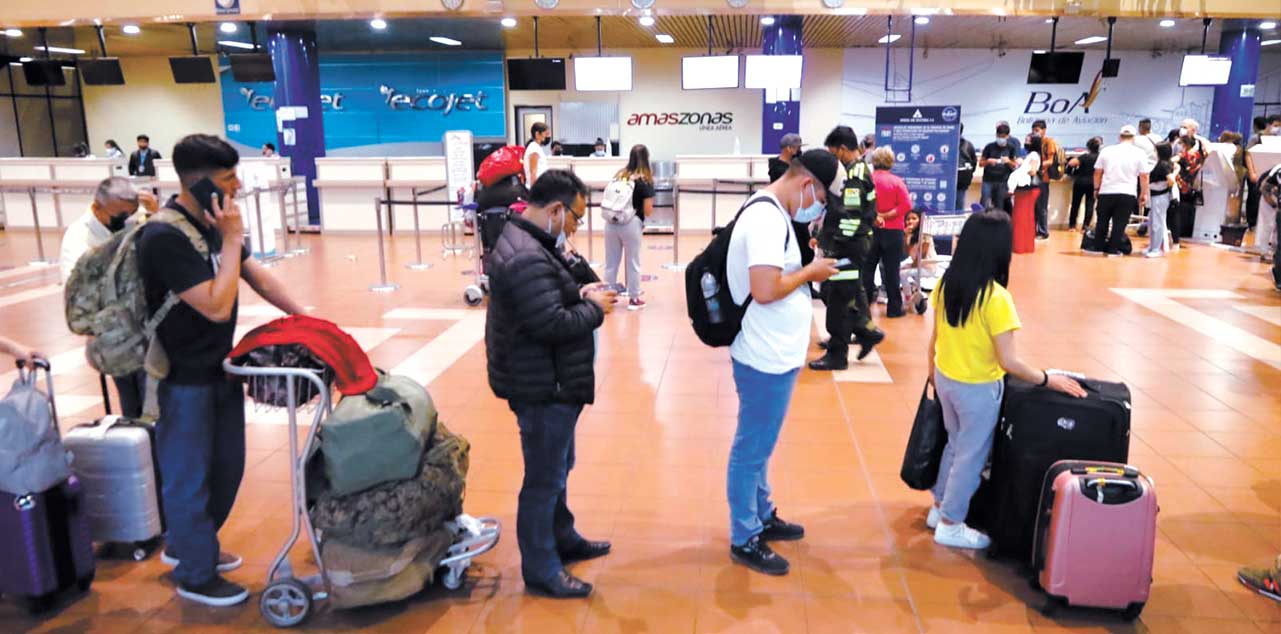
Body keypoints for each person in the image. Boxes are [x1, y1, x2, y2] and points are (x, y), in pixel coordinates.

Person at [138, 134, 305, 607]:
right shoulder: (165, 237)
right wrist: (231, 239)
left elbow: (254, 274)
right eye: (230, 178)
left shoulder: (213, 223)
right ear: (200, 182)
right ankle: (195, 572)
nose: (238, 186)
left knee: (226, 468)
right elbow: (216, 304)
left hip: (220, 367)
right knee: (188, 476)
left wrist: (304, 317)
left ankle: (188, 545)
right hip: (181, 376)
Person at [484, 169, 617, 598]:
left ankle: (563, 537)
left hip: (552, 380)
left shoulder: (540, 242)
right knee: (542, 479)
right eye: (576, 217)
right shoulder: (525, 254)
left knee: (559, 468)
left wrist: (578, 280)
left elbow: (564, 292)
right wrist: (594, 309)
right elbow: (549, 322)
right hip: (539, 385)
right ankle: (541, 567)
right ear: (556, 210)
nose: (577, 226)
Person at [926, 211, 1086, 549]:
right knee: (971, 454)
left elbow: (935, 338)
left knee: (955, 445)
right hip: (977, 389)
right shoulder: (996, 298)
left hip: (946, 378)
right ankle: (951, 524)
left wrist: (933, 375)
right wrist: (1046, 379)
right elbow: (1008, 361)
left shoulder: (947, 283)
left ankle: (938, 505)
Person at [725, 150, 840, 575]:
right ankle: (744, 536)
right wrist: (810, 273)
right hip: (763, 355)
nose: (819, 208)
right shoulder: (766, 218)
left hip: (775, 351)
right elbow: (765, 288)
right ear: (807, 184)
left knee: (760, 446)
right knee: (751, 448)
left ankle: (762, 513)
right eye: (822, 199)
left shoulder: (774, 215)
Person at [60, 177, 160, 417]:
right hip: (115, 333)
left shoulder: (134, 221)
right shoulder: (78, 239)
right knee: (137, 399)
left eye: (129, 214)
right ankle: (141, 442)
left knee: (157, 395)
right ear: (97, 207)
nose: (124, 221)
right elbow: (79, 298)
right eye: (118, 216)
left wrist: (157, 215)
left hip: (147, 324)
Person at [810, 126, 884, 371]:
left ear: (843, 149)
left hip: (849, 248)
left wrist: (835, 248)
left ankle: (838, 354)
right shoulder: (856, 170)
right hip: (852, 245)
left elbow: (851, 216)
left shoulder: (853, 176)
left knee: (839, 298)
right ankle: (866, 331)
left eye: (833, 153)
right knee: (836, 294)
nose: (833, 159)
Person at [604, 144, 654, 310]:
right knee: (632, 261)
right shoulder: (644, 179)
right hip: (631, 223)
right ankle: (633, 299)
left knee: (611, 262)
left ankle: (607, 297)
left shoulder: (620, 175)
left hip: (611, 222)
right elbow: (647, 210)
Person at [866, 147, 911, 318]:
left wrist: (877, 215)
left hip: (870, 230)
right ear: (891, 162)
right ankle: (894, 309)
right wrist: (887, 215)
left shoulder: (867, 180)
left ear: (873, 161)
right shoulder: (897, 182)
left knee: (868, 270)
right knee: (892, 270)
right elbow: (906, 206)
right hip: (893, 232)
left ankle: (864, 309)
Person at [1091, 125, 1151, 255]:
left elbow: (1097, 172)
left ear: (1119, 137)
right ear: (1134, 138)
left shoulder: (1107, 151)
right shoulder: (1139, 153)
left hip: (1106, 191)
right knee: (1120, 224)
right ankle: (1113, 250)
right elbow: (1144, 176)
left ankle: (1098, 248)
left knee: (1102, 221)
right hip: (1127, 193)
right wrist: (1143, 193)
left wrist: (1096, 188)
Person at [1172, 120, 1208, 245]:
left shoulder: (1193, 149)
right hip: (1184, 183)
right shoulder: (1195, 152)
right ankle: (1181, 232)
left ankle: (1180, 233)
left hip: (1184, 183)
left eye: (1185, 127)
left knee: (1181, 209)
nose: (1182, 129)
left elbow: (1174, 159)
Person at [1144, 143, 1177, 258]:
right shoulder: (1165, 163)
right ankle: (1153, 246)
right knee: (1153, 222)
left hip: (1159, 196)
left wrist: (1164, 185)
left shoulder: (1163, 164)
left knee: (1157, 223)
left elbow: (1171, 179)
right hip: (1156, 196)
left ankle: (1156, 248)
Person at [980, 123, 1020, 212]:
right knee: (984, 202)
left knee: (999, 204)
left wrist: (1008, 161)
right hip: (988, 180)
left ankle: (998, 223)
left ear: (1007, 136)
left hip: (1003, 181)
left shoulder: (1011, 148)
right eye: (999, 136)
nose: (1001, 139)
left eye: (1003, 136)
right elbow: (981, 163)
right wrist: (988, 161)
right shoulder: (989, 147)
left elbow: (1015, 165)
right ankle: (982, 221)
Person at [1031, 120, 1060, 239]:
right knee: (1033, 206)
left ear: (1044, 130)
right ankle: (1033, 230)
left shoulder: (1049, 142)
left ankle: (1043, 231)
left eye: (1037, 130)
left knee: (1041, 206)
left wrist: (1036, 165)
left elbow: (1051, 161)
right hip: (1032, 177)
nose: (1034, 133)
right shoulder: (1033, 142)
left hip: (1043, 178)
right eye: (1033, 130)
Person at [1066, 137, 1101, 231]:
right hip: (1093, 183)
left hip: (1080, 182)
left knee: (1075, 204)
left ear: (1088, 147)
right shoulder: (1100, 158)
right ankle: (1085, 226)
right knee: (1090, 205)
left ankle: (1072, 225)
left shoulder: (1084, 157)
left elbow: (1071, 163)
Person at [956, 124, 977, 209]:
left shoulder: (968, 145)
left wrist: (968, 173)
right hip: (946, 178)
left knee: (960, 201)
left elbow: (974, 161)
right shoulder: (945, 142)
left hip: (962, 178)